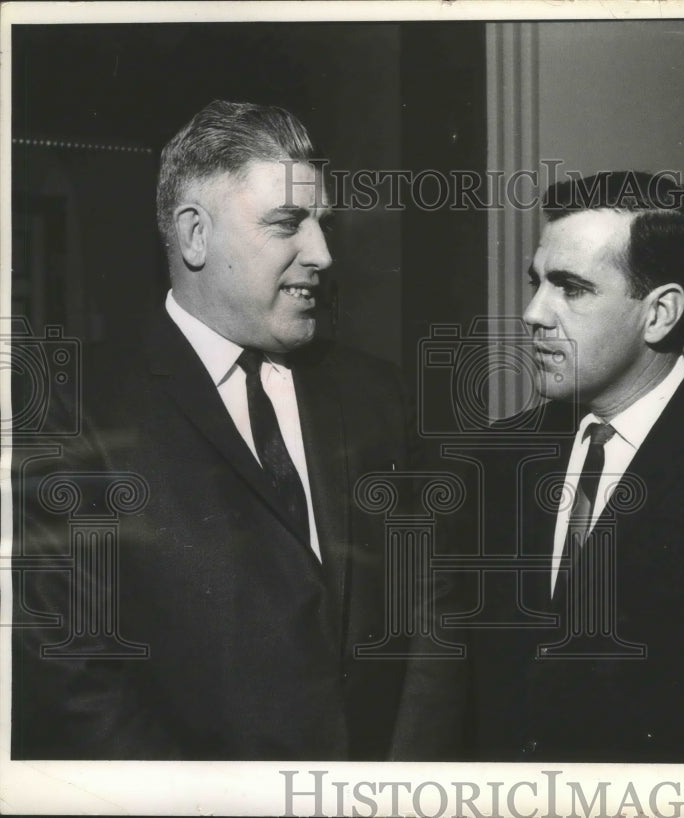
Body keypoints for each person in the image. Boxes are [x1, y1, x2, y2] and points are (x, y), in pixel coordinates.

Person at [12, 100, 463, 760]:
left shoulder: (378, 396)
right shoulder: (72, 408)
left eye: (323, 223)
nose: (324, 253)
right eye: (289, 224)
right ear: (194, 235)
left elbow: (433, 621)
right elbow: (74, 676)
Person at [470, 172, 684, 763]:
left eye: (571, 288)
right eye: (536, 283)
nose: (532, 313)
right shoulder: (491, 460)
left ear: (660, 314)